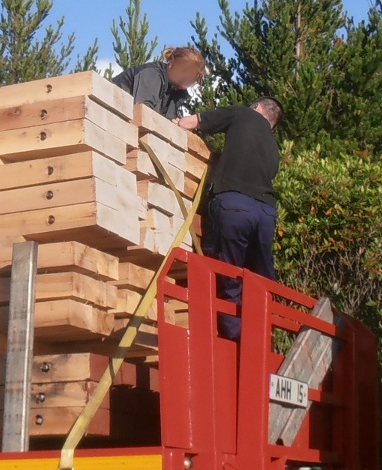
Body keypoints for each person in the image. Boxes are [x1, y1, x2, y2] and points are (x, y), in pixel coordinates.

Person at [173, 97, 280, 340]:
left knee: (227, 274)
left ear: (258, 107)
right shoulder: (274, 148)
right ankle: (262, 339)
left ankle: (234, 340)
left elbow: (196, 121)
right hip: (265, 213)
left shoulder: (242, 114)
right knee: (260, 280)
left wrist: (176, 123)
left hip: (235, 205)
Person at [112, 46, 206, 122]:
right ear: (171, 64)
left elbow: (167, 121)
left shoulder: (175, 93)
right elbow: (142, 111)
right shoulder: (152, 74)